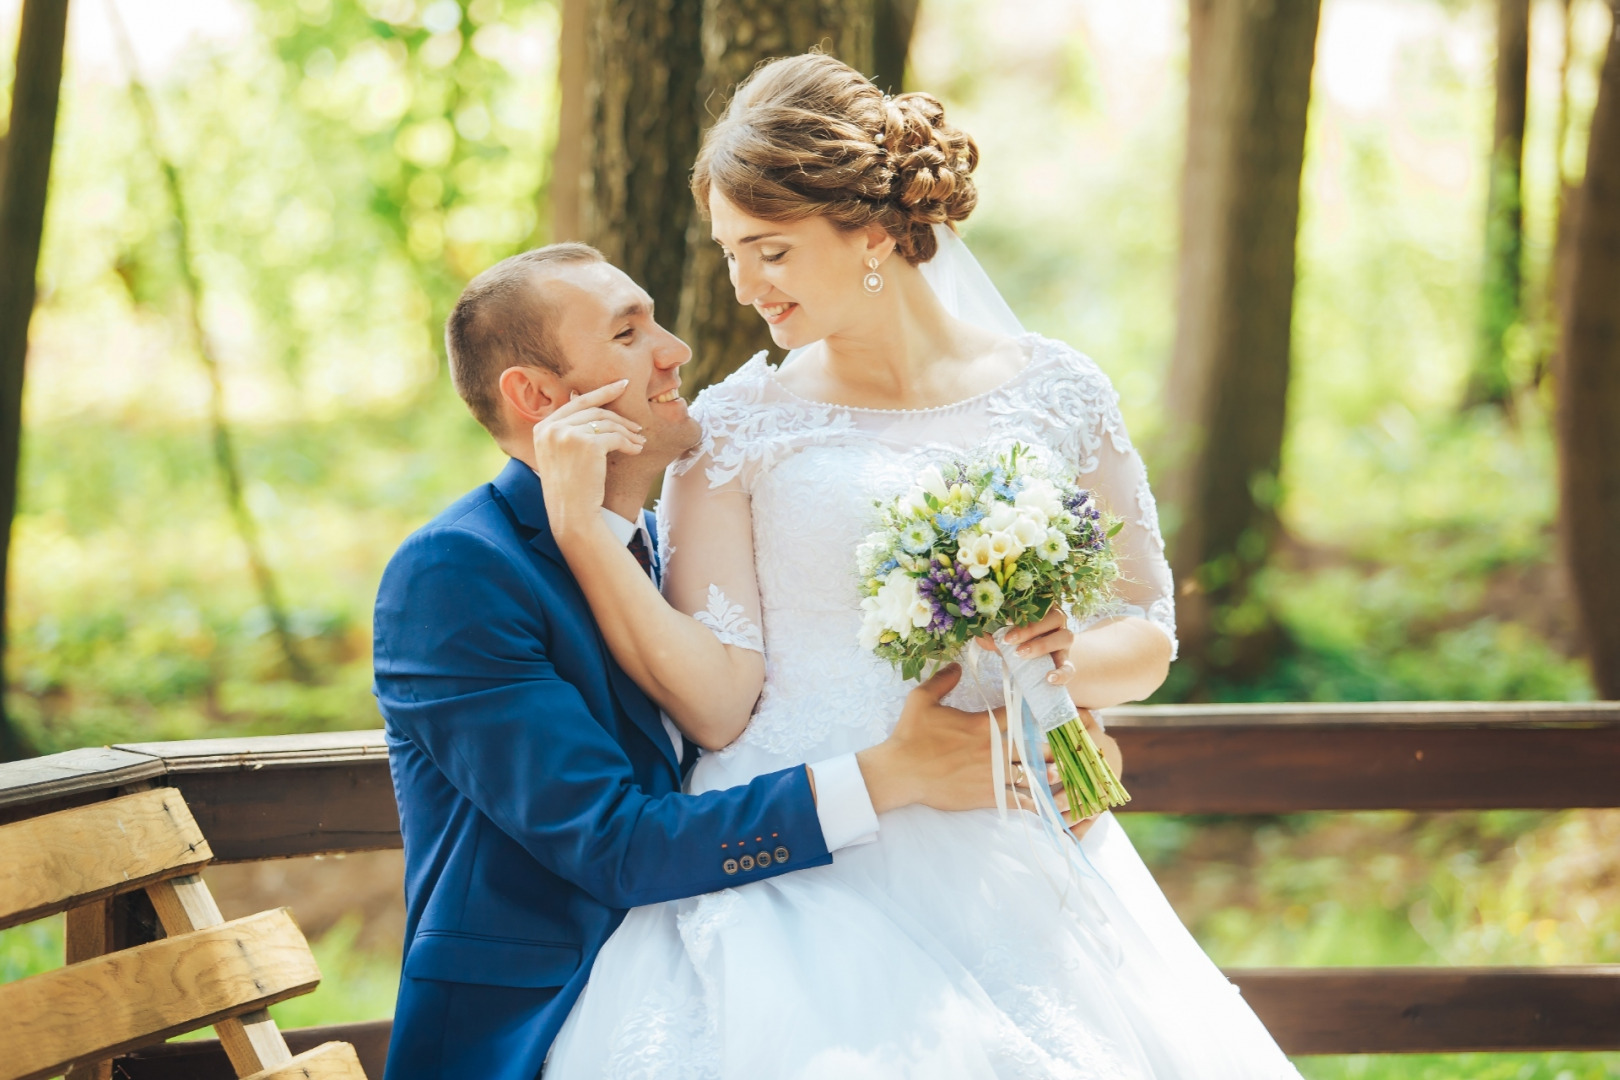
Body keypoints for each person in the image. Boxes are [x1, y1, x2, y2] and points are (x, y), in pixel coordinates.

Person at [539, 54, 1304, 1078]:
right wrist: (588, 538)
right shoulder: (731, 430)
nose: (741, 285)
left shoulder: (1059, 391)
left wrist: (1056, 664)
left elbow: (1147, 635)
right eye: (731, 253)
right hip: (806, 849)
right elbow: (720, 705)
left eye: (770, 251)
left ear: (871, 231)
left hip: (1013, 828)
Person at [372, 242, 1029, 1080]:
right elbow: (615, 844)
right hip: (542, 1022)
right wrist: (892, 774)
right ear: (538, 397)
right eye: (628, 333)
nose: (675, 349)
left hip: (720, 957)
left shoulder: (670, 548)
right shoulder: (456, 575)